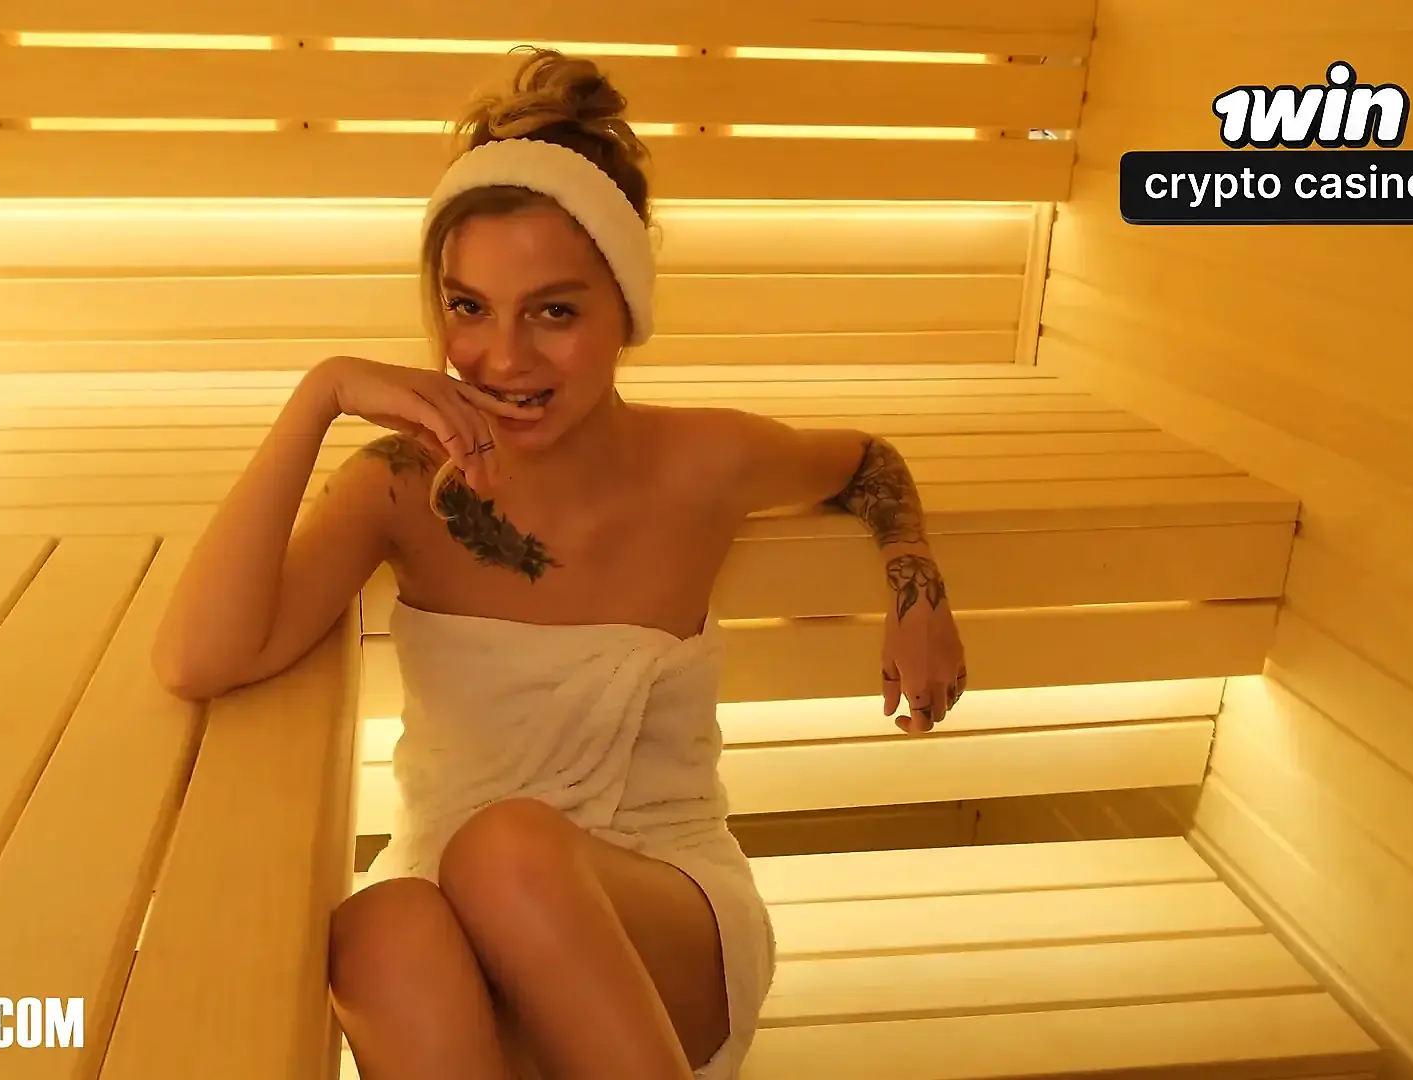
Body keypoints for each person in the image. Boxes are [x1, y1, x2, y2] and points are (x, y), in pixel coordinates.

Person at [151, 46, 968, 1080]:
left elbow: (866, 462)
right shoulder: (401, 488)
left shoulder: (704, 463)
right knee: (378, 928)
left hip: (662, 909)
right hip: (453, 901)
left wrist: (916, 589)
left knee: (508, 852)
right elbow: (198, 659)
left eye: (555, 311)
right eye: (468, 307)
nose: (503, 359)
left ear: (626, 310)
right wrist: (320, 396)